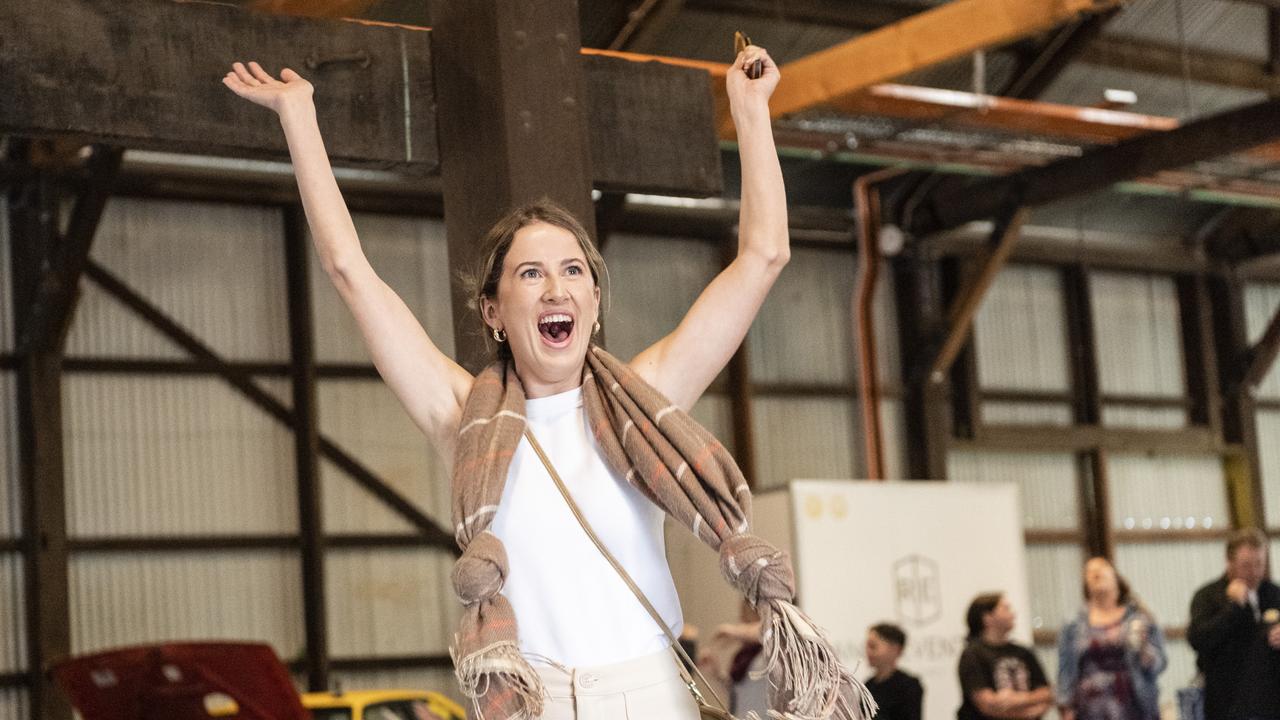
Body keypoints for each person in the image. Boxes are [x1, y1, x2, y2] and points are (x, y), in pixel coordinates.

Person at [223, 43, 874, 720]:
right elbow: (349, 270)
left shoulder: (649, 398)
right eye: (530, 274)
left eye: (572, 271)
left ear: (593, 301)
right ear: (494, 312)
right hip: (528, 700)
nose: (555, 286)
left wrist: (749, 111)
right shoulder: (458, 414)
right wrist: (298, 117)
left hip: (649, 692)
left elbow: (764, 256)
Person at [1056, 557, 1166, 720]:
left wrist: (1144, 649)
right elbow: (1065, 672)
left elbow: (1159, 664)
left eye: (1101, 567)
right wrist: (1066, 708)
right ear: (1086, 585)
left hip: (1135, 706)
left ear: (1115, 577)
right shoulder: (1072, 625)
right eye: (1089, 571)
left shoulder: (1139, 618)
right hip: (1089, 709)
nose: (1095, 572)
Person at [1188, 528, 1280, 720]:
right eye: (1246, 566)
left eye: (1259, 564)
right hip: (1227, 704)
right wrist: (1232, 608)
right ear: (1229, 562)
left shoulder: (1274, 594)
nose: (1254, 572)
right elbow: (1197, 639)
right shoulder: (1208, 596)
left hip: (1271, 703)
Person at [957, 592, 1053, 720]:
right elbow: (987, 704)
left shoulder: (1023, 652)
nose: (1012, 614)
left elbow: (1047, 693)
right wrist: (1028, 711)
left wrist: (1020, 698)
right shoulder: (973, 654)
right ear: (987, 618)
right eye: (1005, 609)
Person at [864, 622, 923, 720]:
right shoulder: (868, 685)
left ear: (895, 649)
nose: (868, 652)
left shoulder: (909, 686)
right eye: (867, 647)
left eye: (873, 646)